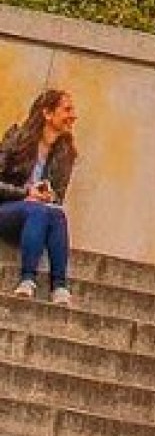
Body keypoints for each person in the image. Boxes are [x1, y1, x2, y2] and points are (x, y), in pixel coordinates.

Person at [0, 89, 78, 304]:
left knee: (57, 214)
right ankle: (27, 279)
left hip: (37, 217)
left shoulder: (65, 153)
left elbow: (58, 197)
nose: (73, 116)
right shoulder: (16, 138)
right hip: (6, 210)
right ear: (47, 113)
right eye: (67, 109)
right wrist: (26, 193)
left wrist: (49, 195)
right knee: (37, 209)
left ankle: (59, 286)